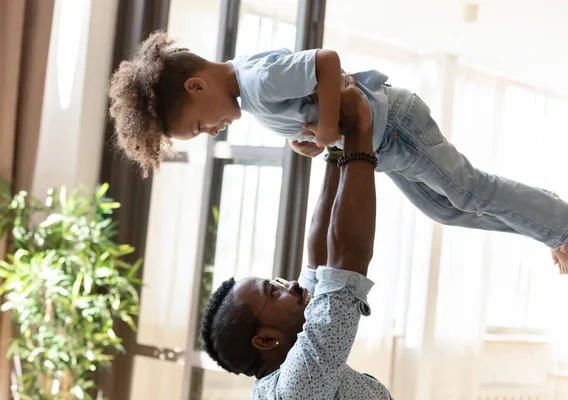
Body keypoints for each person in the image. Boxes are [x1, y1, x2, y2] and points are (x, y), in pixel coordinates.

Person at [108, 31, 568, 273]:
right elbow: (310, 98)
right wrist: (307, 137)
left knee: (466, 191)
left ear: (196, 85)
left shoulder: (256, 84)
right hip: (387, 146)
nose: (211, 131)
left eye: (198, 124)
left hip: (396, 127)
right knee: (445, 211)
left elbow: (326, 61)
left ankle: (558, 225)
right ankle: (542, 211)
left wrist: (327, 127)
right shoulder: (249, 90)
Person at [200, 76, 392, 399]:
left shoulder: (278, 374)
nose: (291, 284)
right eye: (273, 292)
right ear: (265, 339)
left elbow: (319, 267)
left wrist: (334, 144)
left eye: (275, 282)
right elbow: (346, 269)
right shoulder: (296, 390)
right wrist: (359, 126)